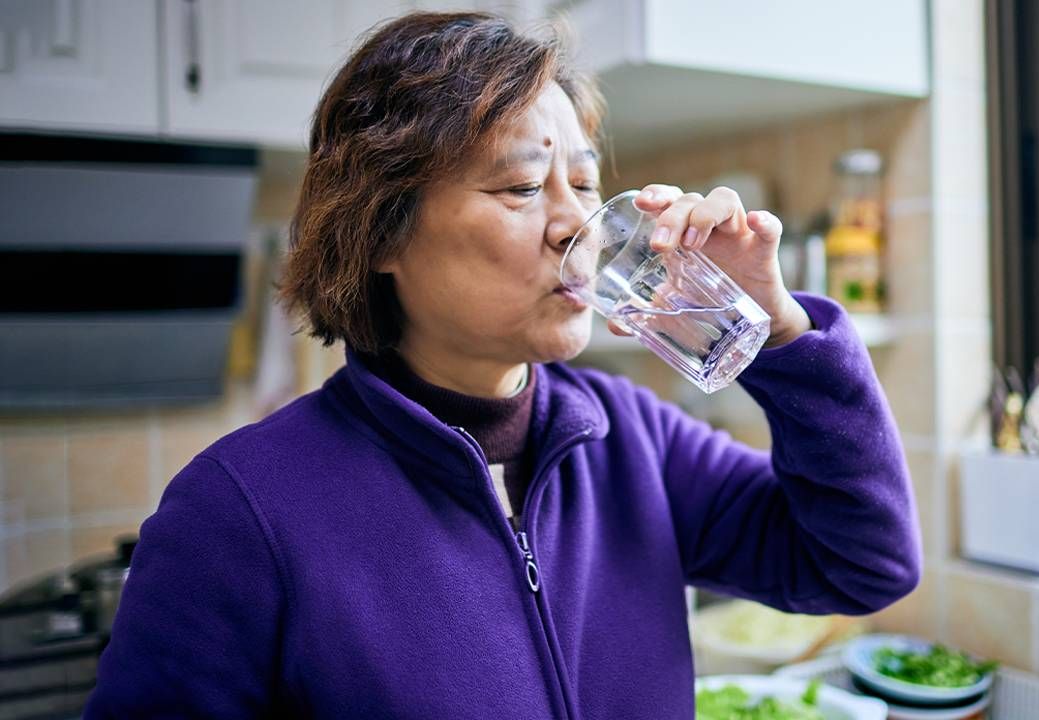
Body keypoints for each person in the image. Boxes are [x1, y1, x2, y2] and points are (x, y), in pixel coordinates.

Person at [85, 11, 921, 719]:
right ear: (382, 232)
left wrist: (779, 332)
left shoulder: (632, 438)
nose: (575, 226)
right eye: (522, 189)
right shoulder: (239, 512)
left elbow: (863, 561)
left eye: (585, 185)